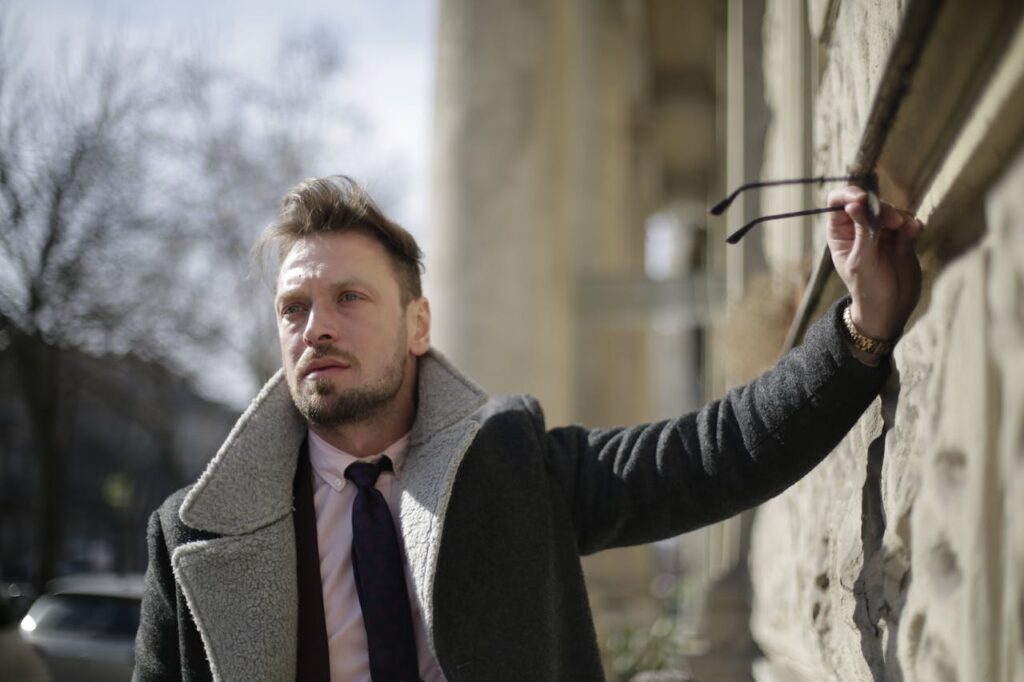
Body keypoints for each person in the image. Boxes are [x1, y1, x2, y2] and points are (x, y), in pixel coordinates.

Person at [133, 175, 922, 681]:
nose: (317, 328)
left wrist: (862, 328)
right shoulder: (192, 538)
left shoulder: (515, 465)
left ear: (418, 325)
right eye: (294, 309)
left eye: (350, 299)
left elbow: (715, 453)